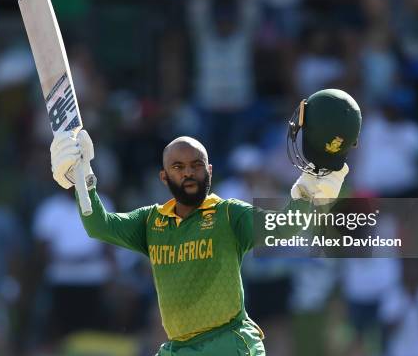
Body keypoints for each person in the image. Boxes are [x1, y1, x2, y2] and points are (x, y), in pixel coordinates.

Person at [48, 89, 361, 355]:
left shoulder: (229, 214)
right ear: (163, 176)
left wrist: (310, 189)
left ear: (209, 171)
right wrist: (81, 180)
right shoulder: (151, 222)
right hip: (180, 349)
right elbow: (98, 225)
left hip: (228, 344)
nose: (187, 173)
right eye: (178, 166)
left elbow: (287, 226)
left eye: (196, 165)